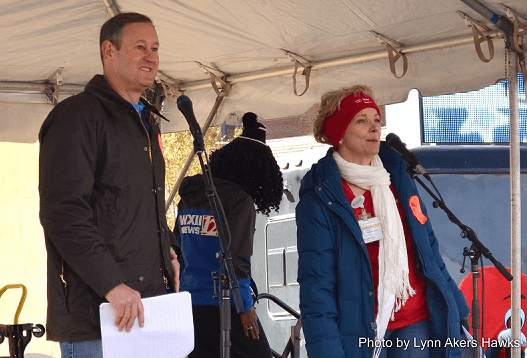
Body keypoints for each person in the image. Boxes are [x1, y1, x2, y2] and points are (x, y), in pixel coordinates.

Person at [39, 12, 180, 358]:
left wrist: (169, 252)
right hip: (98, 319)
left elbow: (139, 207)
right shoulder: (77, 117)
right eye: (140, 47)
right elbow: (63, 214)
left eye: (156, 49)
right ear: (109, 51)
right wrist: (112, 286)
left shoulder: (146, 122)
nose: (152, 57)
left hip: (149, 310)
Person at [296, 85, 470, 358]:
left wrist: (457, 311)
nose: (375, 128)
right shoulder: (320, 199)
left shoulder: (398, 177)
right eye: (362, 121)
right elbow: (316, 287)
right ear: (339, 133)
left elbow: (429, 250)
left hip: (416, 322)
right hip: (360, 329)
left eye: (377, 120)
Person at [175, 112, 282, 358]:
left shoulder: (190, 195)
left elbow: (176, 250)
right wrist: (245, 307)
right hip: (225, 305)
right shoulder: (240, 200)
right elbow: (236, 259)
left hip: (187, 306)